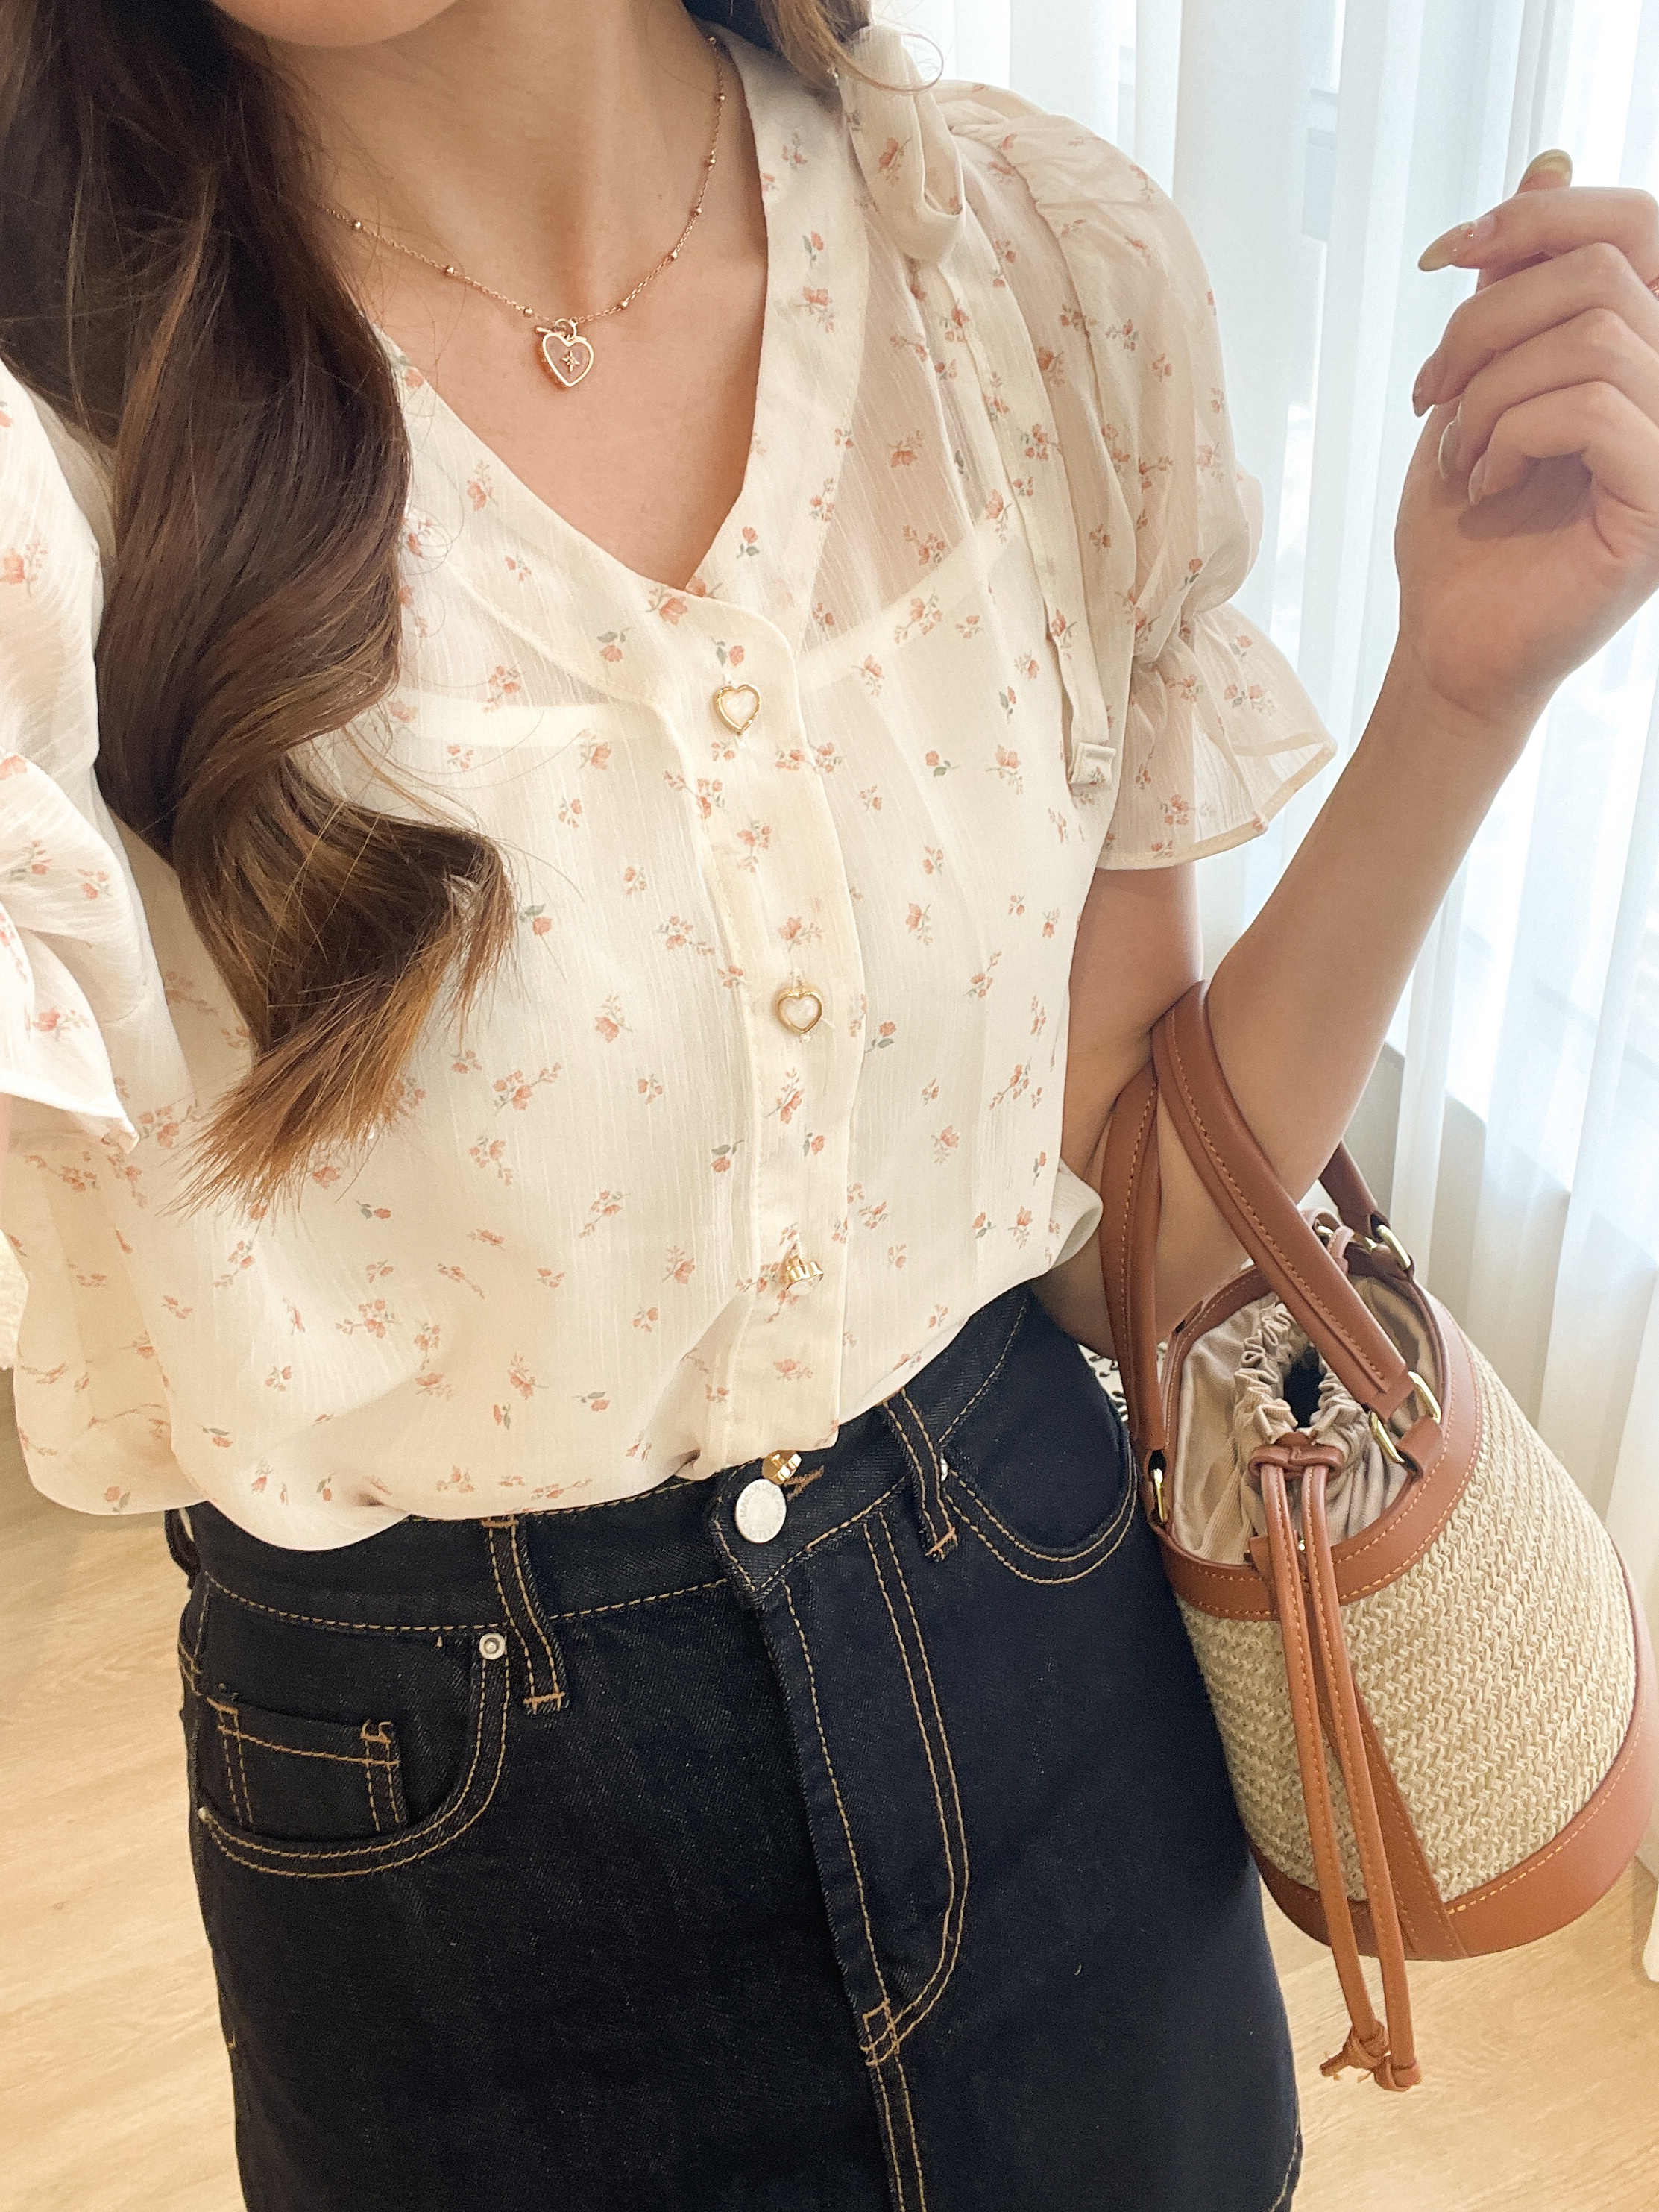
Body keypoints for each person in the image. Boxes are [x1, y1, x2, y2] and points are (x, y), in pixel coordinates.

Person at [4, 1, 1658, 2205]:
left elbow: (1135, 1218)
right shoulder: (55, 434)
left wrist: (1463, 692)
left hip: (1040, 1651)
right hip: (443, 1828)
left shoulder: (1024, 282)